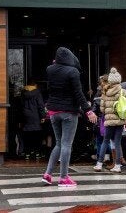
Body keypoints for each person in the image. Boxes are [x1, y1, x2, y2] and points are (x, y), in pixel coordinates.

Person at [41, 47, 97, 187]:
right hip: (68, 112)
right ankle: (63, 178)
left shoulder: (50, 69)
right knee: (66, 144)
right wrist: (88, 111)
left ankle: (48, 174)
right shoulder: (73, 72)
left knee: (59, 144)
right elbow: (79, 94)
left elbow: (50, 88)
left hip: (53, 112)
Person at [93, 67, 126, 173]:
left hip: (109, 120)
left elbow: (102, 109)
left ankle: (99, 164)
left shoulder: (105, 91)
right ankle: (118, 166)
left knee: (105, 141)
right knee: (118, 143)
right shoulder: (123, 91)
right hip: (120, 120)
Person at [21, 79, 46, 160]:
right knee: (36, 135)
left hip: (25, 116)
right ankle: (36, 153)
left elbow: (20, 105)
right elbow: (40, 105)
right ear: (35, 85)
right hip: (35, 116)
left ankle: (27, 153)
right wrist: (43, 116)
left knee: (27, 135)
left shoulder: (23, 92)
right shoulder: (37, 93)